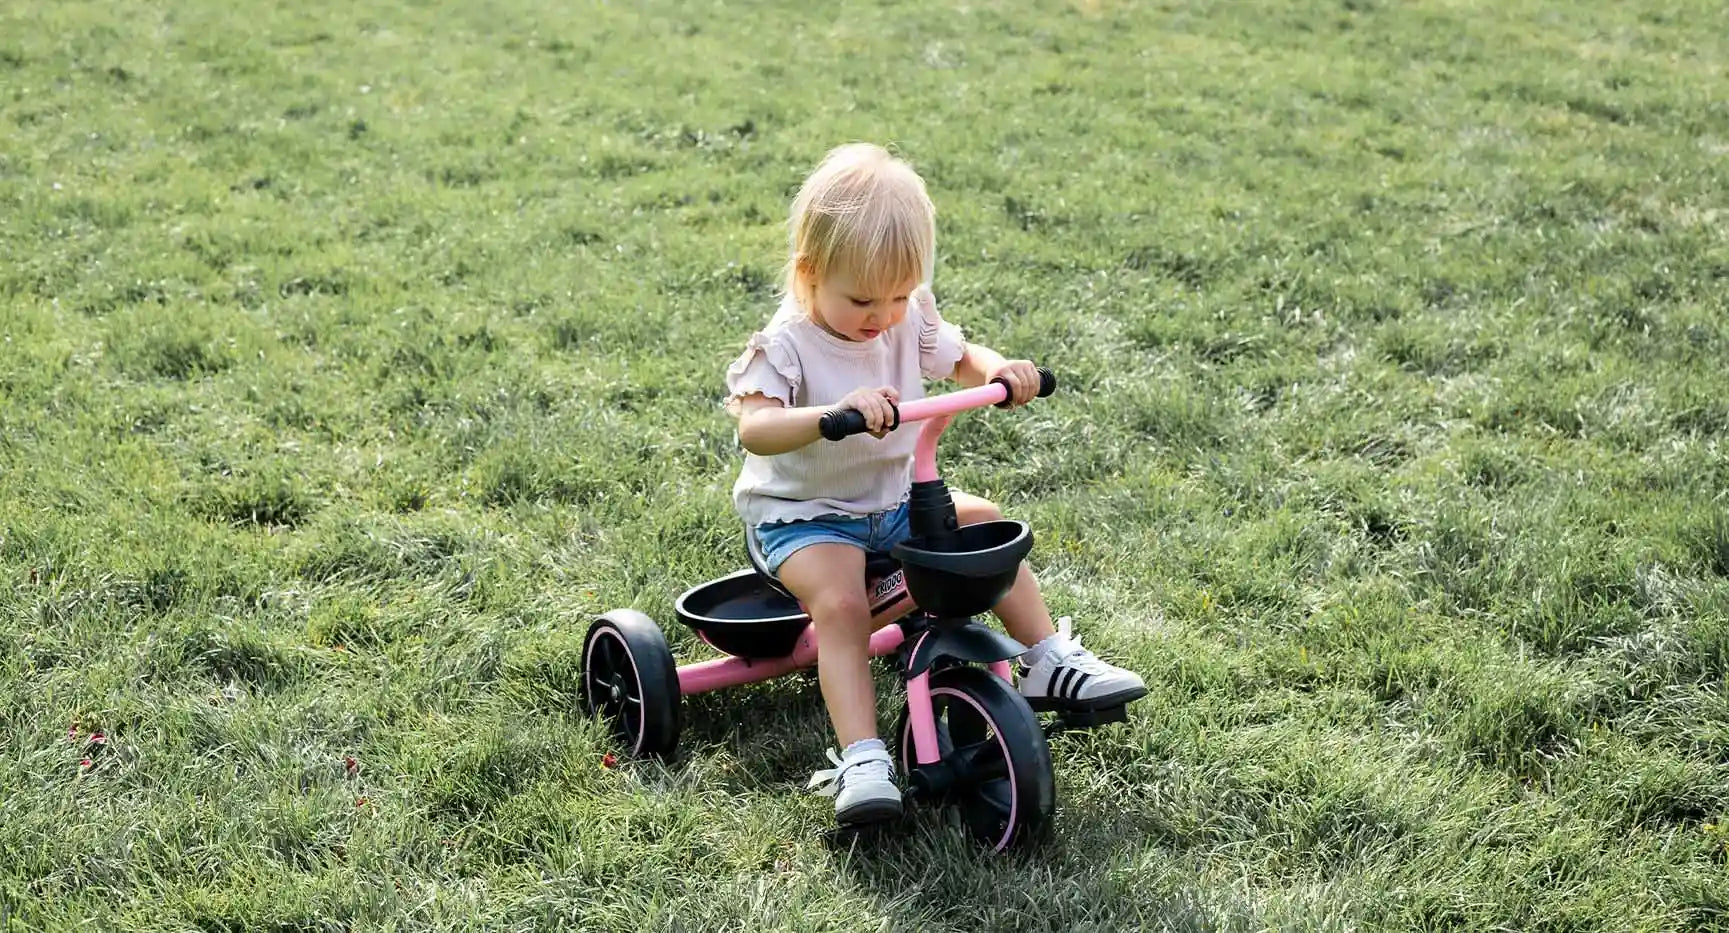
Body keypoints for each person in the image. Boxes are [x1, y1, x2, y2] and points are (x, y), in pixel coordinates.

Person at [723, 143, 1146, 825]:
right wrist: (830, 417)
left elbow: (961, 358)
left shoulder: (904, 312)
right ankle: (861, 757)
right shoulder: (786, 343)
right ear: (808, 275)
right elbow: (756, 429)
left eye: (897, 295)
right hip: (804, 517)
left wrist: (1000, 371)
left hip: (891, 503)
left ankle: (1044, 659)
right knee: (839, 604)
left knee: (986, 529)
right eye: (862, 298)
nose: (882, 315)